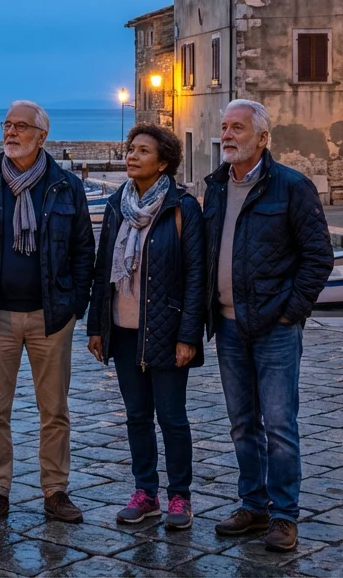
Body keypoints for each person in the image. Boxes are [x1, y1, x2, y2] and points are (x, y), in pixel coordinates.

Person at [204, 100, 333, 552]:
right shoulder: (216, 187)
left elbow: (319, 258)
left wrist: (290, 312)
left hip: (275, 327)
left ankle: (283, 516)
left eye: (237, 127)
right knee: (242, 424)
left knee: (279, 424)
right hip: (227, 325)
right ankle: (253, 504)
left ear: (262, 137)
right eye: (224, 127)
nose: (228, 135)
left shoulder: (292, 187)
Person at [0, 100, 96, 524]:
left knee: (54, 410)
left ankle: (55, 491)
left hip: (51, 316)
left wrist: (74, 305)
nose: (11, 132)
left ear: (42, 135)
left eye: (21, 126)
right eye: (7, 124)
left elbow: (83, 252)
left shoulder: (65, 186)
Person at [87, 124, 205, 529]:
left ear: (164, 162)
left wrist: (189, 335)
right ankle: (145, 493)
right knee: (136, 415)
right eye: (130, 149)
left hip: (166, 330)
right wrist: (96, 327)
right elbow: (105, 269)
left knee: (172, 417)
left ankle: (180, 498)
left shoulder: (181, 208)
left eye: (142, 151)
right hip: (123, 329)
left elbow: (196, 277)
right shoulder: (119, 204)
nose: (131, 156)